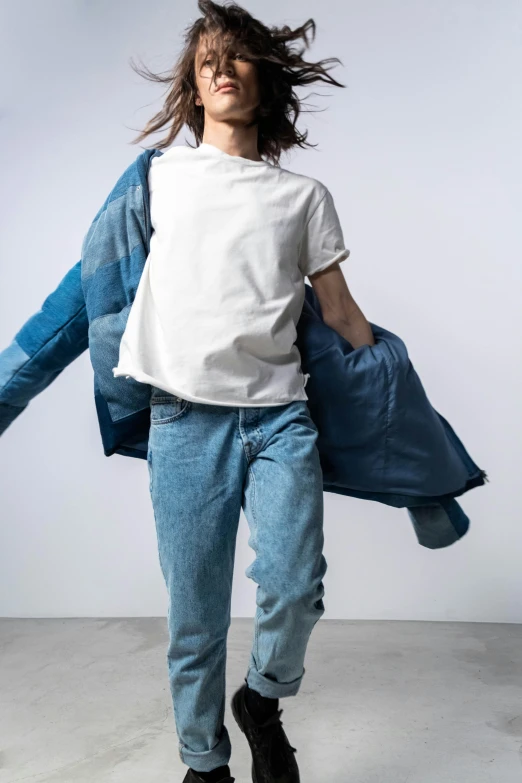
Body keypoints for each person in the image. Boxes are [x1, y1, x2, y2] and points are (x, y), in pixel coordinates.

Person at [114, 1, 374, 781]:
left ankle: (262, 698)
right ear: (194, 88)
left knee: (296, 585)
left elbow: (340, 312)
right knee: (194, 618)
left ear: (265, 77)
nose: (222, 68)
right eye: (206, 61)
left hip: (278, 420)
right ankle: (204, 764)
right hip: (184, 422)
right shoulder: (158, 178)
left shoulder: (303, 197)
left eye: (237, 57)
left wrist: (401, 397)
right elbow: (94, 289)